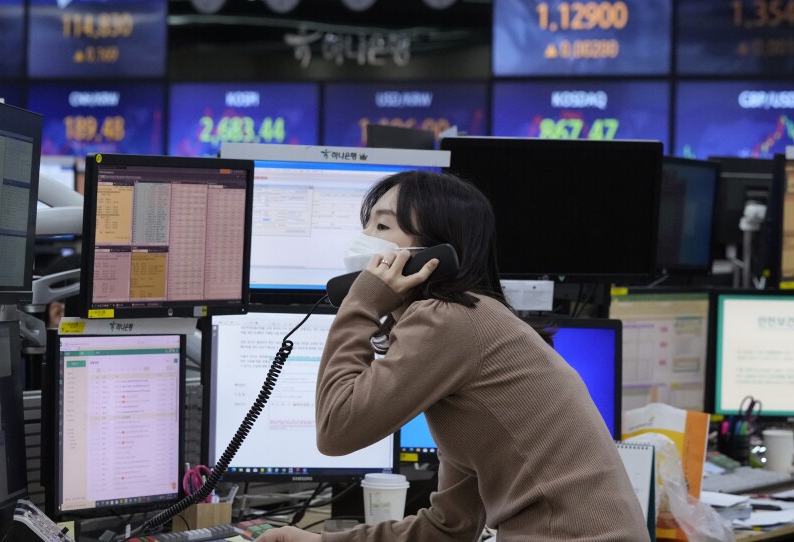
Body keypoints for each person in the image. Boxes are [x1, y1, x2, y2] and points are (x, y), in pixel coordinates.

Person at [260, 171, 649, 542]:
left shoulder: (448, 320)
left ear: (432, 254)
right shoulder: (471, 323)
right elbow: (449, 529)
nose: (364, 240)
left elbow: (336, 428)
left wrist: (361, 303)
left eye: (382, 226)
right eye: (366, 226)